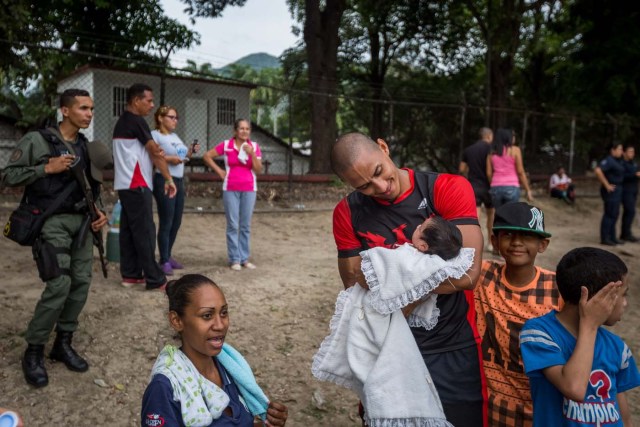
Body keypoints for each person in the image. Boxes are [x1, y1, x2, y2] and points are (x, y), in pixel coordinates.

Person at [330, 132, 486, 427]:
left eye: (379, 172)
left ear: (384, 148)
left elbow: (467, 274)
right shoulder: (347, 213)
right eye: (364, 186)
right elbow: (353, 285)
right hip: (388, 349)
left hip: (451, 343)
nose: (380, 187)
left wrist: (396, 293)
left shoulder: (446, 188)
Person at [1, 89, 109, 387]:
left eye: (91, 108)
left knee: (81, 283)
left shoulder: (86, 147)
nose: (89, 113)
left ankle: (63, 343)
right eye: (83, 108)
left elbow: (93, 189)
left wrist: (100, 213)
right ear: (65, 110)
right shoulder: (38, 140)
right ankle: (34, 350)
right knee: (59, 284)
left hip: (83, 224)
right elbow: (8, 175)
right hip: (51, 222)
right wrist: (45, 168)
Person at [141, 274, 288, 426]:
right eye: (207, 315)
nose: (220, 325)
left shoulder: (230, 368)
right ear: (177, 321)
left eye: (223, 313)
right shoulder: (165, 388)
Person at [520, 247, 640, 426]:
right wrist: (589, 324)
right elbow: (574, 388)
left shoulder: (617, 347)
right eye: (622, 295)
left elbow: (622, 412)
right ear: (597, 298)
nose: (625, 303)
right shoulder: (539, 334)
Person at [474, 202, 562, 426]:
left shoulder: (558, 289)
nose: (516, 243)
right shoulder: (480, 276)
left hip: (542, 411)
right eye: (508, 235)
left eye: (527, 236)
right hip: (492, 409)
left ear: (542, 244)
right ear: (494, 241)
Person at [112, 83, 176, 290]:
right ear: (136, 101)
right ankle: (155, 279)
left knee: (129, 230)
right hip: (136, 182)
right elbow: (155, 152)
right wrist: (168, 178)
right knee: (145, 230)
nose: (152, 105)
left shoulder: (124, 121)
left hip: (125, 183)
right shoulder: (136, 121)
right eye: (148, 101)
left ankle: (130, 274)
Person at [202, 119, 262, 271]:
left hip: (249, 188)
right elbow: (207, 156)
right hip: (230, 187)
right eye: (241, 128)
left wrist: (252, 154)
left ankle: (244, 258)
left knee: (245, 225)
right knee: (232, 224)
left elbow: (258, 169)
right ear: (235, 131)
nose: (244, 131)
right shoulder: (227, 145)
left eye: (247, 129)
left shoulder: (254, 146)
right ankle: (234, 258)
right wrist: (219, 171)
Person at [151, 105, 200, 275]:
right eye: (171, 117)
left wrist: (191, 152)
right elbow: (155, 156)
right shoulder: (155, 135)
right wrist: (171, 158)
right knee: (167, 220)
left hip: (178, 180)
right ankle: (163, 260)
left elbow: (183, 158)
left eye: (176, 117)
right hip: (164, 179)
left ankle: (167, 254)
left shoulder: (175, 136)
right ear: (160, 118)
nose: (175, 120)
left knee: (176, 221)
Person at [459, 127, 496, 244]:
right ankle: (490, 243)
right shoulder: (492, 149)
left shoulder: (468, 150)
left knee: (475, 217)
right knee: (491, 215)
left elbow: (461, 169)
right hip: (489, 186)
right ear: (489, 136)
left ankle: (473, 242)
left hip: (473, 186)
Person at [487, 128, 533, 209]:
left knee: (499, 216)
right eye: (513, 136)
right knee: (511, 217)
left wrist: (495, 183)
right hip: (511, 187)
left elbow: (489, 173)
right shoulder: (515, 150)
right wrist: (527, 189)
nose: (514, 138)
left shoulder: (491, 152)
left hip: (495, 187)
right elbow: (520, 172)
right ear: (508, 137)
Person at [593, 142, 625, 246]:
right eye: (619, 149)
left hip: (618, 190)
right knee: (609, 214)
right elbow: (598, 170)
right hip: (611, 191)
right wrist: (607, 185)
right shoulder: (609, 160)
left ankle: (612, 237)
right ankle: (605, 238)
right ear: (613, 150)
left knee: (615, 214)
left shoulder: (617, 161)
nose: (621, 151)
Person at [620, 144, 640, 242]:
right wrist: (634, 175)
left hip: (634, 190)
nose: (632, 154)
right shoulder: (622, 164)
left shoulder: (634, 163)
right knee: (630, 211)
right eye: (630, 151)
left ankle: (626, 233)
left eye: (633, 152)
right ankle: (626, 234)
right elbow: (621, 177)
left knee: (629, 213)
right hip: (626, 191)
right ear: (624, 152)